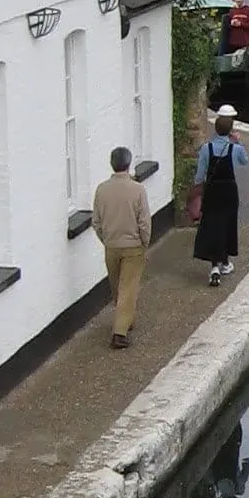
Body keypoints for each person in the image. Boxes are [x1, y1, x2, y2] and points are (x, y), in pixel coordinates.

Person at [91, 145, 151, 350]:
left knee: (117, 286)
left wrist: (106, 238)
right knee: (128, 288)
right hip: (133, 245)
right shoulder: (137, 190)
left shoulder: (101, 190)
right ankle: (119, 333)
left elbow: (96, 222)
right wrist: (145, 242)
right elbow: (144, 222)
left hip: (111, 245)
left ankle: (125, 319)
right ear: (129, 164)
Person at [192, 106, 248, 286]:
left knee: (212, 225)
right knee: (227, 224)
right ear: (230, 130)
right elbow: (245, 161)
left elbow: (200, 176)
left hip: (213, 191)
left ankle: (214, 266)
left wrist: (197, 189)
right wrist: (238, 142)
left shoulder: (206, 148)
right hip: (229, 191)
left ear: (215, 129)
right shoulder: (235, 149)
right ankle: (225, 263)